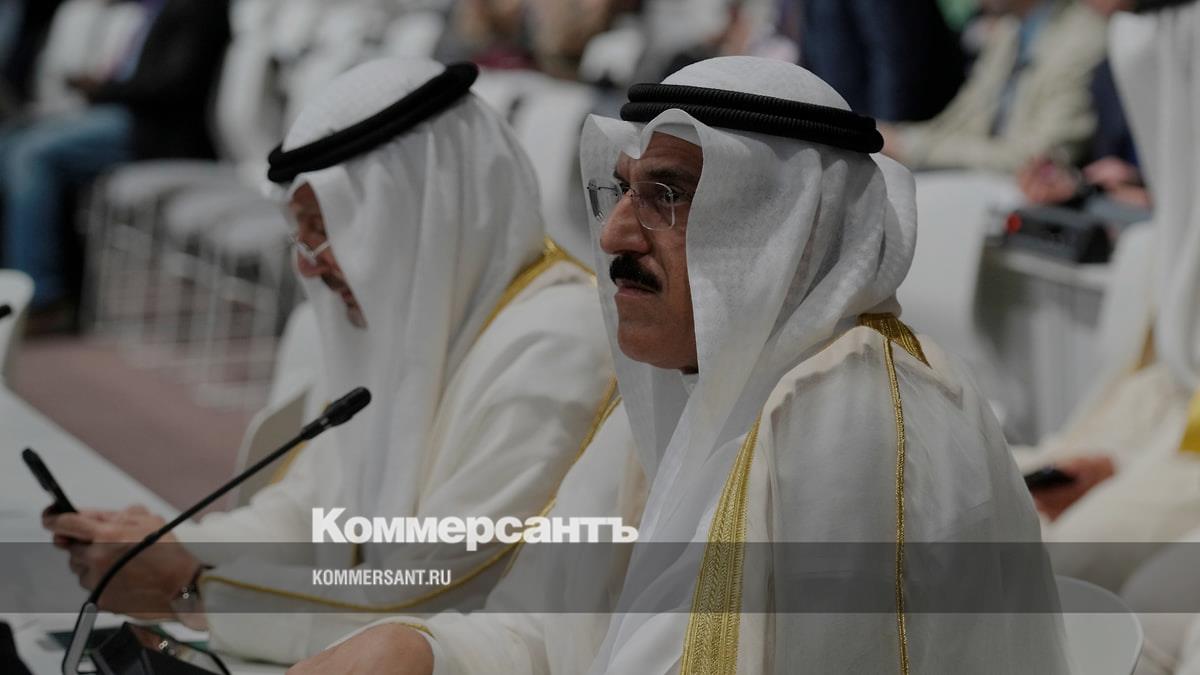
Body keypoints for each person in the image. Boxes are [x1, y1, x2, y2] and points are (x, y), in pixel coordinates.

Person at [285, 56, 1069, 675]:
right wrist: (418, 650)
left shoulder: (843, 421)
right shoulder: (685, 388)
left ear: (783, 226)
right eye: (624, 190)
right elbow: (549, 630)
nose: (614, 234)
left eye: (669, 195)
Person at [43, 58, 616, 665]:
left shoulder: (557, 344)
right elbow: (309, 514)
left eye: (326, 227)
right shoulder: (403, 316)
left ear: (419, 208)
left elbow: (433, 595)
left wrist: (191, 590)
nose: (307, 264)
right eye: (301, 231)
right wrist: (165, 546)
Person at [1008, 0, 1200, 594]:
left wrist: (1129, 466)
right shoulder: (1172, 234)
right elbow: (1170, 386)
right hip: (1164, 426)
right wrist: (1114, 459)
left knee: (1060, 566)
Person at [0, 0, 229, 317]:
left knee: (31, 154)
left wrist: (104, 88)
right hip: (119, 111)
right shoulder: (154, 8)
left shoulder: (197, 9)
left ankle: (43, 297)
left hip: (153, 129)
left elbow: (174, 85)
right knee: (10, 142)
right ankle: (18, 276)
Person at [879, 0, 1106, 172]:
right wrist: (895, 139)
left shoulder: (1083, 40)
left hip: (1024, 198)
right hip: (981, 182)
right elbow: (959, 122)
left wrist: (909, 147)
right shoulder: (1010, 29)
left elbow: (1038, 161)